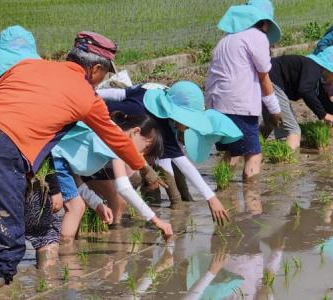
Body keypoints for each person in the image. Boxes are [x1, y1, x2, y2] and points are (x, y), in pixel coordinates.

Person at [0, 30, 155, 294]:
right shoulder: (86, 96)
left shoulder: (30, 67)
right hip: (0, 149)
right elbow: (118, 140)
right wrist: (145, 170)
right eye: (106, 74)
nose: (103, 80)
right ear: (95, 69)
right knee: (1, 250)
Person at [26, 112, 173, 268]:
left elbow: (75, 178)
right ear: (135, 131)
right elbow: (123, 188)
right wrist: (155, 219)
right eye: (146, 146)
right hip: (50, 159)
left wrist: (97, 203)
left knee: (77, 206)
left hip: (55, 160)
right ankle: (66, 258)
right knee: (76, 207)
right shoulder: (115, 139)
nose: (142, 154)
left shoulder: (111, 133)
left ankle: (63, 257)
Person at [97, 81, 243, 226]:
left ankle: (114, 215)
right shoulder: (141, 107)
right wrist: (90, 94)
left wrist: (210, 198)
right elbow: (115, 97)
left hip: (115, 147)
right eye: (187, 120)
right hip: (98, 137)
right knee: (128, 182)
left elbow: (179, 161)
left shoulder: (163, 117)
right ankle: (112, 220)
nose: (187, 126)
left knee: (130, 183)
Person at [205, 0, 282, 180]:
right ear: (263, 21)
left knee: (233, 151)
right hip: (239, 104)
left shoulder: (227, 39)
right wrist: (274, 109)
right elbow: (264, 76)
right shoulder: (256, 36)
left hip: (217, 104)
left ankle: (223, 191)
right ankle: (253, 203)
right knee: (253, 153)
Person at [261, 48, 333, 150]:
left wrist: (327, 114)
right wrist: (324, 115)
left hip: (264, 80)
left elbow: (319, 98)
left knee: (271, 122)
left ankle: (246, 150)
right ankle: (287, 162)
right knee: (293, 131)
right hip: (271, 83)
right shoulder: (313, 67)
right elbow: (305, 90)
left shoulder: (313, 70)